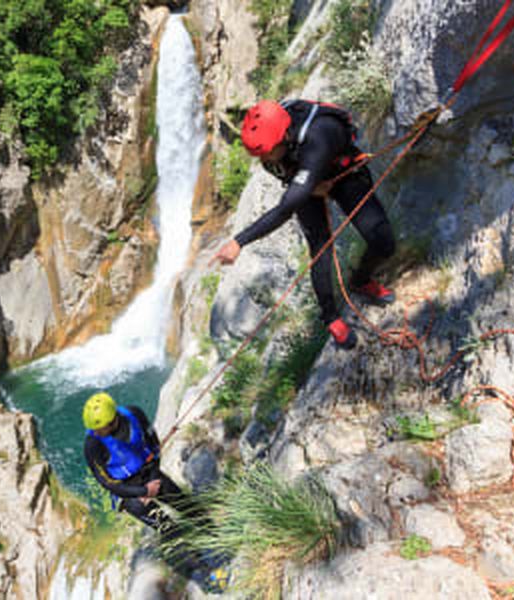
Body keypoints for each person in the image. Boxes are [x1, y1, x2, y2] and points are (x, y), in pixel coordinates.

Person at [211, 99, 397, 349]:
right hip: (305, 181)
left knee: (383, 242)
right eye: (260, 155)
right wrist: (307, 186)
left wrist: (238, 242)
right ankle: (330, 317)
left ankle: (360, 280)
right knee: (320, 249)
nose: (264, 158)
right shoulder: (274, 142)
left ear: (285, 136)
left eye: (267, 153)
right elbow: (287, 175)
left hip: (342, 173)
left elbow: (285, 209)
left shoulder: (319, 135)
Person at [82, 392, 230, 591]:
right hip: (127, 492)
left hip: (149, 473)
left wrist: (152, 479)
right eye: (94, 429)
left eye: (100, 429)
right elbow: (107, 483)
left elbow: (153, 445)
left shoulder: (134, 414)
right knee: (168, 527)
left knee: (187, 506)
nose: (95, 432)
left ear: (113, 420)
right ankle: (203, 574)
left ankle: (220, 539)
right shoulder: (92, 445)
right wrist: (141, 491)